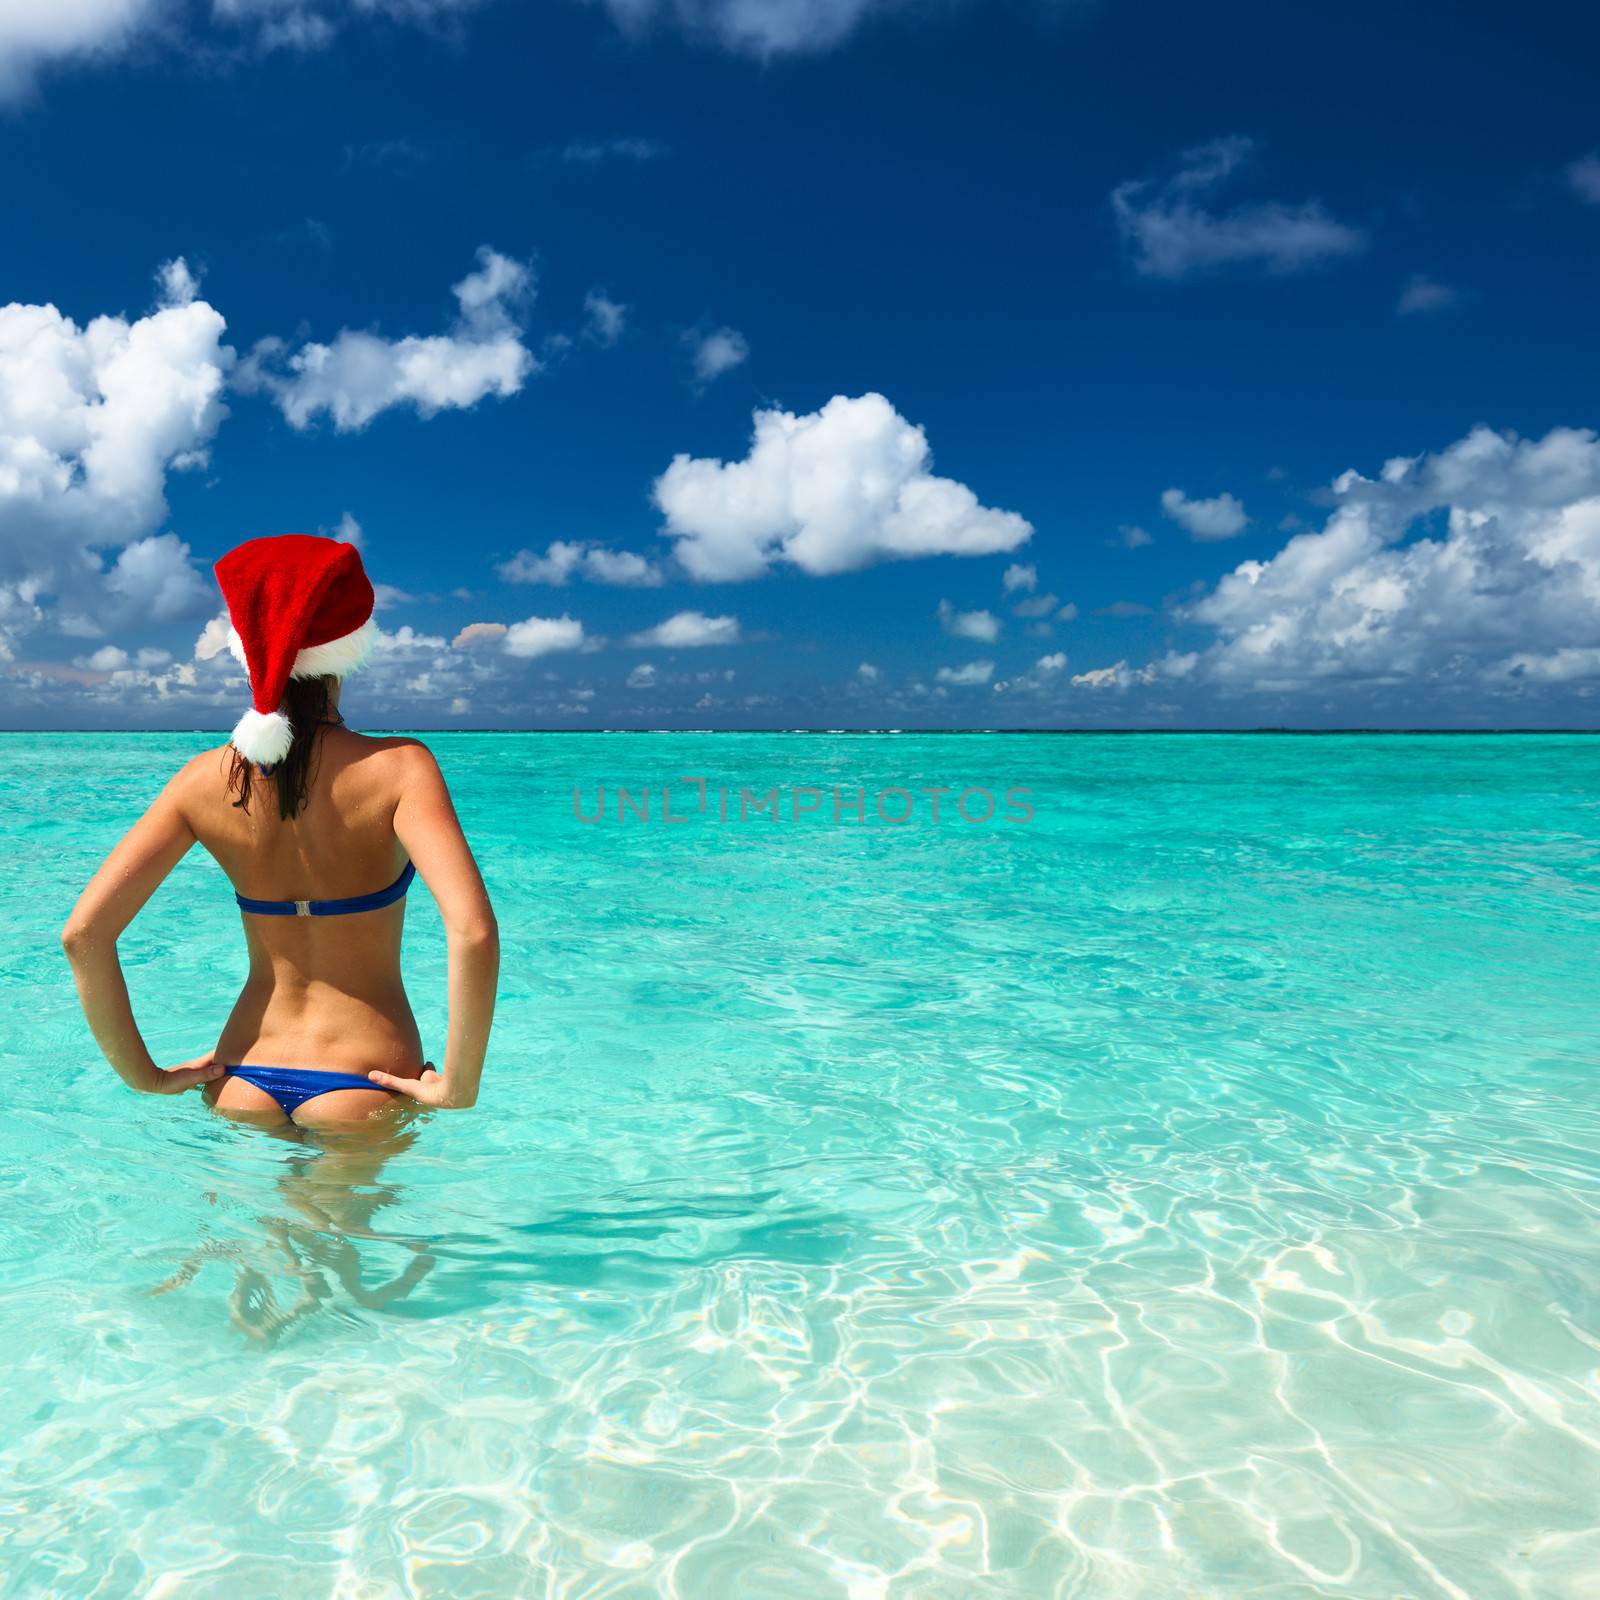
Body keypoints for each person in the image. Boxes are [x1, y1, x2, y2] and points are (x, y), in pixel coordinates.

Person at [62, 533, 499, 1130]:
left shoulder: (199, 781)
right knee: (360, 1230)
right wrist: (458, 1083)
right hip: (363, 1080)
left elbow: (83, 935)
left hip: (242, 1074)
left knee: (240, 1229)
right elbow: (472, 933)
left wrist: (145, 1075)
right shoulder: (400, 770)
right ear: (346, 649)